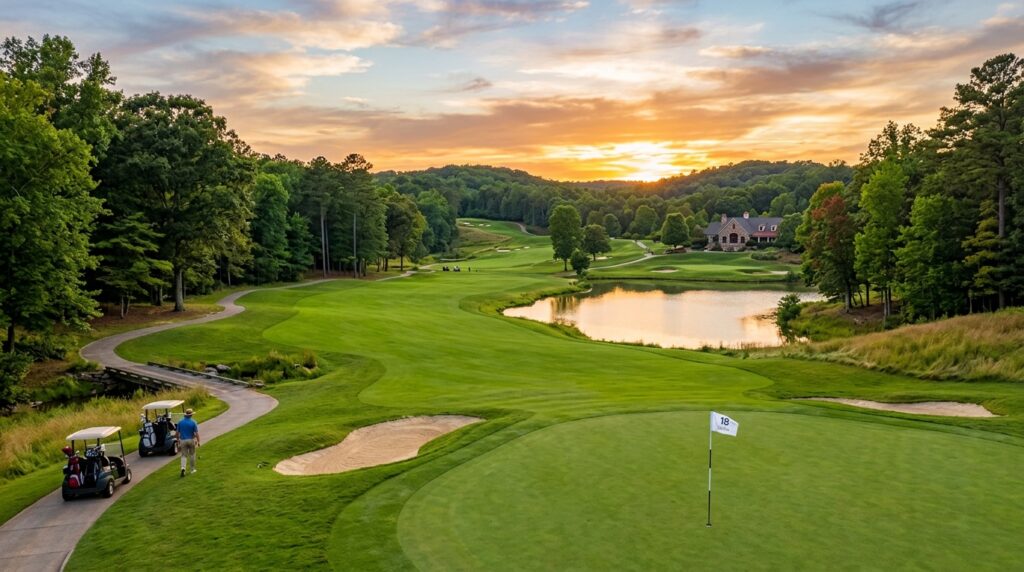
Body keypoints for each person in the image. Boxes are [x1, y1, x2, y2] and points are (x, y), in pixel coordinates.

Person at [177, 408, 200, 477]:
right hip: (191, 440)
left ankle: (183, 468)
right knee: (192, 454)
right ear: (191, 415)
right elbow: (196, 433)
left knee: (184, 455)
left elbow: (177, 433)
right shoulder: (193, 422)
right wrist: (198, 441)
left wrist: (178, 441)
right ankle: (192, 469)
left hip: (183, 440)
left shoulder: (180, 422)